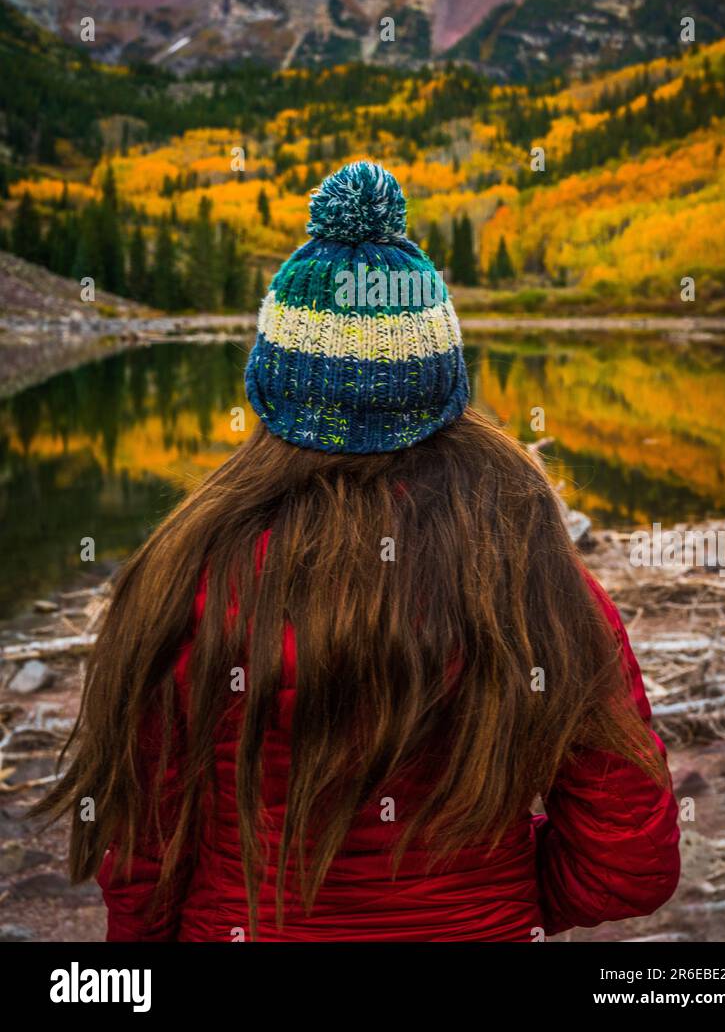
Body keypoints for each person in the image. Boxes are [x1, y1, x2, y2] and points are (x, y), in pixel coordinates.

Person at [35, 161, 680, 942]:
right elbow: (630, 863)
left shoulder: (184, 579)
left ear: (271, 385)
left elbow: (141, 865)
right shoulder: (540, 581)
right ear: (444, 384)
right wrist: (502, 906)